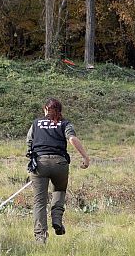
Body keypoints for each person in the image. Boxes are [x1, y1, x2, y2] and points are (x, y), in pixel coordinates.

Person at [26, 97, 91, 243]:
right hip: (60, 163)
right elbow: (72, 139)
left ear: (45, 110)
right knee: (59, 191)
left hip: (40, 164)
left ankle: (40, 237)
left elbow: (29, 141)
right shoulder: (65, 123)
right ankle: (56, 219)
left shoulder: (36, 123)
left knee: (39, 202)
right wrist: (86, 157)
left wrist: (31, 157)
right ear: (60, 111)